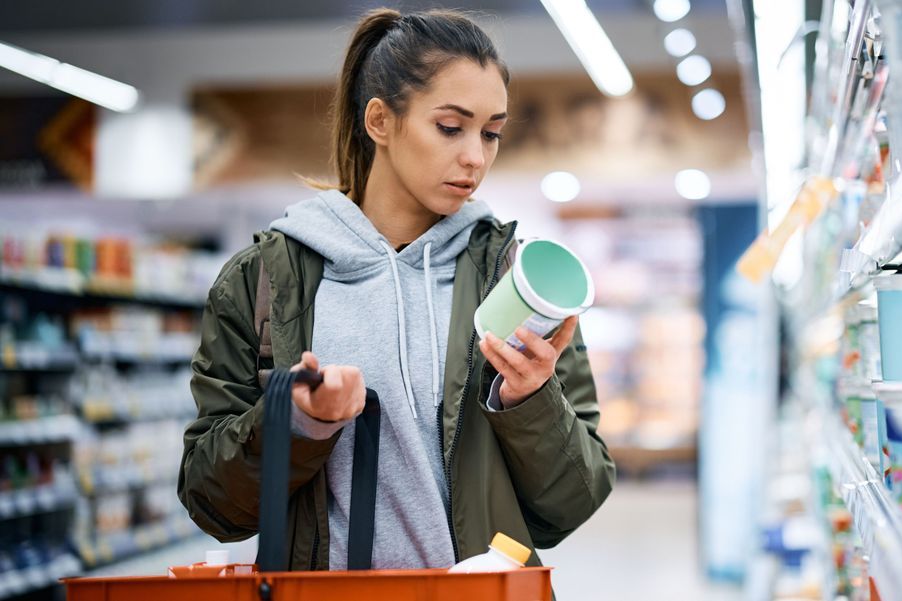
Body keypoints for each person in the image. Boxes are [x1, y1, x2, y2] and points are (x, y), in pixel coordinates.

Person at [178, 7, 615, 572]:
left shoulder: (516, 282)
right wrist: (301, 422)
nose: (475, 157)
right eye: (450, 128)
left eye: (492, 133)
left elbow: (572, 504)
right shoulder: (263, 281)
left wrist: (530, 402)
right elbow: (213, 505)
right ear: (380, 121)